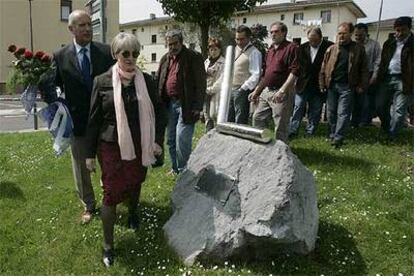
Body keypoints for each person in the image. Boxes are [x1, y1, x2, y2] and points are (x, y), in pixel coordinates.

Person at [84, 32, 166, 267]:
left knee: (135, 181)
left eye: (135, 53)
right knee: (110, 193)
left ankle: (133, 212)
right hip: (110, 145)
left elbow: (160, 112)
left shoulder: (147, 81)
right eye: (125, 53)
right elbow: (93, 119)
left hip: (141, 143)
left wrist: (157, 140)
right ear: (115, 54)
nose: (131, 58)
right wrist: (89, 154)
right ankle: (108, 246)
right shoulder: (102, 81)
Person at [52, 10, 115, 223]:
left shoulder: (106, 53)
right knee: (80, 168)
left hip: (105, 122)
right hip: (78, 124)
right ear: (71, 29)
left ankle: (111, 198)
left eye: (90, 24)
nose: (88, 29)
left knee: (107, 162)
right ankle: (88, 205)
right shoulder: (60, 56)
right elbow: (56, 85)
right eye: (82, 25)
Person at [157, 29, 206, 174]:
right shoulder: (165, 58)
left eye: (175, 43)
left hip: (186, 105)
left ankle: (185, 170)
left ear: (181, 42)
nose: (172, 47)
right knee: (171, 139)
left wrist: (198, 106)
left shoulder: (193, 57)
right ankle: (175, 168)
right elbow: (159, 79)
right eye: (169, 44)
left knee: (181, 139)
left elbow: (201, 83)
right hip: (169, 105)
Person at [319, 22, 368, 148]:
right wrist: (322, 83)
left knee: (343, 113)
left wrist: (362, 85)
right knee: (331, 112)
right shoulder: (331, 48)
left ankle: (338, 137)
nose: (341, 36)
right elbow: (323, 67)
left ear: (350, 34)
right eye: (339, 33)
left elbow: (364, 69)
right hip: (332, 85)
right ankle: (332, 134)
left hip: (347, 86)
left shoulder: (358, 49)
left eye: (344, 33)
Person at [249, 21, 299, 143]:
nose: (273, 34)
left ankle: (281, 153)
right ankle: (265, 144)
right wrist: (257, 91)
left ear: (284, 33)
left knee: (280, 124)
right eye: (271, 32)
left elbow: (295, 72)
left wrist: (282, 91)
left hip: (282, 91)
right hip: (267, 90)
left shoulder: (292, 48)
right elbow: (266, 74)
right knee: (258, 118)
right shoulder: (270, 50)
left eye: (276, 31)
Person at [374, 16, 414, 139]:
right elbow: (383, 62)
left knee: (399, 111)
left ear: (409, 28)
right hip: (387, 78)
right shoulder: (389, 43)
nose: (399, 33)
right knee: (379, 106)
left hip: (405, 80)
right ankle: (387, 127)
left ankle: (391, 135)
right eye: (397, 30)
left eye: (403, 30)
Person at [289, 27, 333, 137]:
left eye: (315, 40)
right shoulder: (302, 48)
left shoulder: (329, 47)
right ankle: (293, 130)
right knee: (298, 106)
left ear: (321, 37)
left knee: (316, 109)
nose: (312, 42)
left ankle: (310, 131)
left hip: (319, 85)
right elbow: (297, 66)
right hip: (303, 84)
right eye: (310, 40)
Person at [229, 25, 262, 124]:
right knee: (228, 117)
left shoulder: (254, 52)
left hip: (241, 89)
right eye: (237, 39)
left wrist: (243, 88)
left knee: (240, 119)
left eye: (242, 39)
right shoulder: (234, 50)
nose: (239, 42)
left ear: (248, 38)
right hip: (230, 88)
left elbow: (256, 74)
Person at [351, 23, 381, 127]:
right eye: (356, 35)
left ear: (366, 34)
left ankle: (365, 121)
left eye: (360, 35)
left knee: (367, 100)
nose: (358, 37)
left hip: (369, 74)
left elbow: (378, 61)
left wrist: (374, 76)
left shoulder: (374, 45)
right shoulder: (353, 45)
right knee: (355, 100)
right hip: (355, 76)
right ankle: (354, 121)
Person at [204, 37, 225, 132]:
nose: (213, 52)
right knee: (207, 116)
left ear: (220, 50)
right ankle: (208, 136)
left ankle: (217, 136)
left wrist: (211, 89)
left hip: (216, 93)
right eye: (211, 49)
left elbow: (222, 79)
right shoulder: (207, 62)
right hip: (205, 92)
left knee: (215, 114)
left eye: (215, 49)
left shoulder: (223, 62)